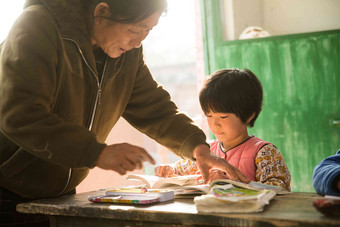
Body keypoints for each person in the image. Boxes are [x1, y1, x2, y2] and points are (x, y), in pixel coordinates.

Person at [0, 0, 249, 225]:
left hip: (57, 194)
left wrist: (199, 149)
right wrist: (97, 152)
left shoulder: (126, 53)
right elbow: (20, 114)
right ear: (102, 12)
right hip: (7, 189)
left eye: (147, 32)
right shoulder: (38, 26)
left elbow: (155, 109)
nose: (138, 42)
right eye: (134, 30)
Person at [155, 68, 291, 191]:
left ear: (249, 115)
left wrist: (233, 184)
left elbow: (280, 189)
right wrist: (168, 170)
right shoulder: (206, 150)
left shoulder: (265, 153)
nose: (215, 123)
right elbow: (180, 170)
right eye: (209, 115)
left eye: (223, 116)